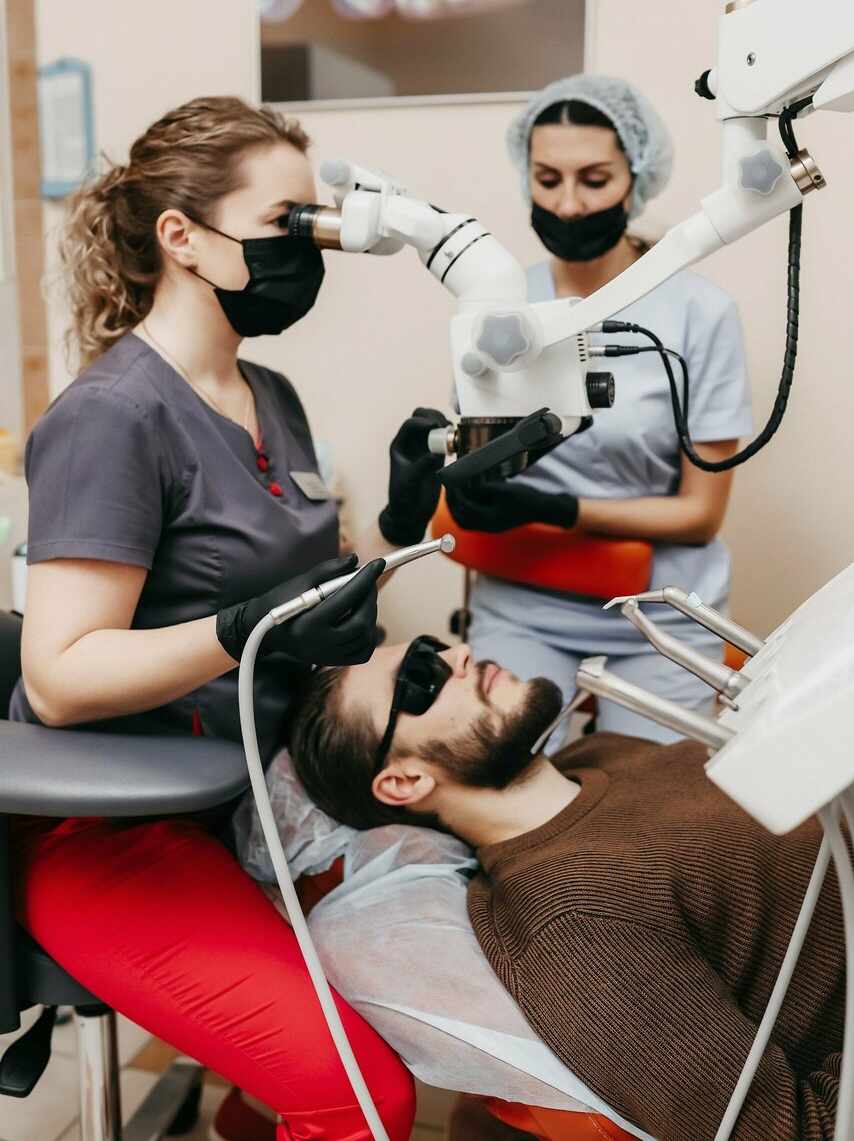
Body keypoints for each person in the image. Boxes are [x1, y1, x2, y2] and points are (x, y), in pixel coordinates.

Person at [8, 96, 449, 1141]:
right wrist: (247, 629)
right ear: (183, 236)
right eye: (286, 223)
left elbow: (305, 607)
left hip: (255, 797)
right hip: (120, 831)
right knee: (365, 1100)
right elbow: (59, 679)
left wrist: (403, 523)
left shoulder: (269, 393)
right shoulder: (113, 418)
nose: (310, 247)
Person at [285, 638, 843, 1141]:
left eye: (433, 646)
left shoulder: (598, 757)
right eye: (419, 677)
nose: (458, 653)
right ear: (406, 781)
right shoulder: (573, 920)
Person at [444, 74, 754, 744]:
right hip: (524, 600)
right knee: (501, 772)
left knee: (648, 792)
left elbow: (700, 516)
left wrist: (556, 509)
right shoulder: (496, 308)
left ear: (636, 177)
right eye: (547, 179)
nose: (569, 204)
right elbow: (473, 464)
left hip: (659, 611)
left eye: (594, 179)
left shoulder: (699, 313)